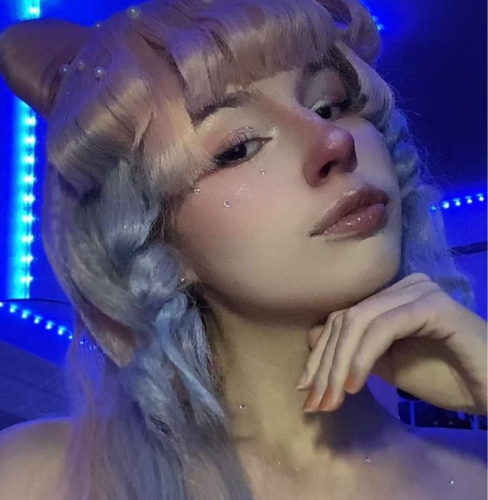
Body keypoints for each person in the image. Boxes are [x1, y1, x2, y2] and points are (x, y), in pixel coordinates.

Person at [0, 0, 486, 499]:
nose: (333, 140)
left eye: (329, 105)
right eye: (238, 147)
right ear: (153, 243)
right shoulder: (42, 479)